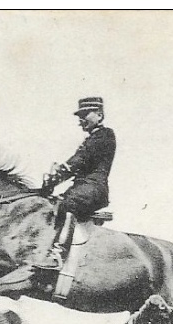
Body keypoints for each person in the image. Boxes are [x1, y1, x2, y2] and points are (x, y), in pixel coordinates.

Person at [35, 96, 116, 271]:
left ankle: (58, 254)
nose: (80, 121)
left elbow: (78, 161)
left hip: (93, 188)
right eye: (79, 116)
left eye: (85, 114)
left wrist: (56, 177)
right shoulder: (92, 138)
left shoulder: (104, 135)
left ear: (99, 115)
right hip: (82, 187)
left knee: (67, 205)